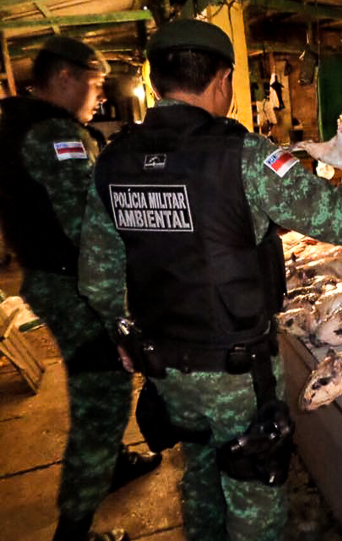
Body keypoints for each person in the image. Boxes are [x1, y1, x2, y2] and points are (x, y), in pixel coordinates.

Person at [77, 19, 342, 541]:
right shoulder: (245, 156)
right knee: (253, 498)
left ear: (157, 79)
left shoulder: (113, 161)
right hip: (235, 373)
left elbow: (97, 278)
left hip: (165, 368)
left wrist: (124, 335)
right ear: (222, 79)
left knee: (200, 475)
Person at [0, 37, 163, 541]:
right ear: (66, 78)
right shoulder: (54, 135)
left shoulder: (15, 123)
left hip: (46, 274)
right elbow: (86, 230)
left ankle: (110, 466)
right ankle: (74, 529)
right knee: (104, 393)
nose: (97, 97)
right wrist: (123, 292)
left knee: (95, 385)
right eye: (93, 85)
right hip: (74, 285)